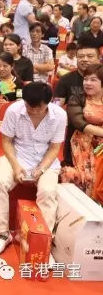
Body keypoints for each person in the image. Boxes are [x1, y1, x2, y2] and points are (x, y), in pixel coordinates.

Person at [0, 82, 65, 259]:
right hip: (17, 156)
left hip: (45, 160)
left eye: (39, 108)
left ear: (48, 103)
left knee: (48, 191)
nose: (34, 111)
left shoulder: (60, 115)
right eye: (30, 107)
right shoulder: (14, 110)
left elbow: (55, 148)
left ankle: (43, 242)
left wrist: (41, 169)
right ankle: (2, 234)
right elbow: (6, 141)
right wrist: (16, 166)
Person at [63, 64, 103, 202]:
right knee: (89, 177)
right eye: (86, 79)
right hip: (82, 143)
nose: (87, 83)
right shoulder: (76, 99)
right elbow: (80, 124)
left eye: (93, 80)